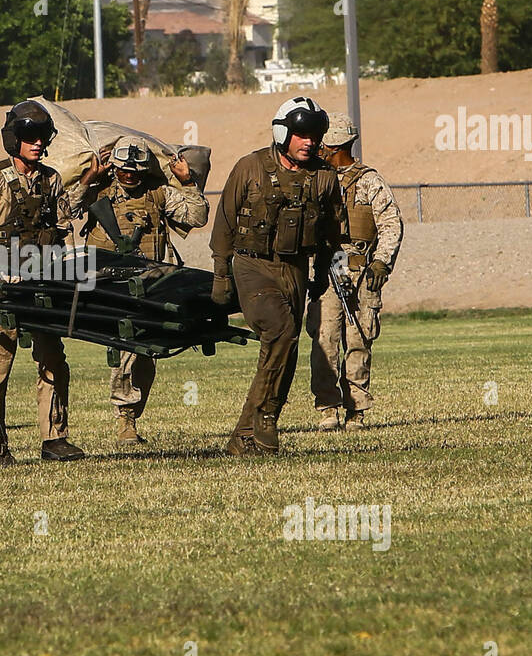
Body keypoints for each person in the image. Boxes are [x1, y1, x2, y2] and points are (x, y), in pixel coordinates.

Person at [210, 96, 344, 456]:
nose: (309, 142)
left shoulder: (325, 178)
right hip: (253, 266)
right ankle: (267, 415)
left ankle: (243, 437)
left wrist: (321, 273)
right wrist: (221, 275)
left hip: (296, 269)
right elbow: (224, 223)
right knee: (281, 332)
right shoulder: (250, 167)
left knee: (285, 346)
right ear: (283, 132)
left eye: (315, 135)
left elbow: (332, 231)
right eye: (301, 134)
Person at [0, 100, 85, 465]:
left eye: (42, 137)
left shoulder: (52, 179)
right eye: (29, 137)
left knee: (53, 362)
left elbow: (63, 229)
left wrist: (70, 266)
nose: (37, 144)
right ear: (14, 139)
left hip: (43, 283)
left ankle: (55, 439)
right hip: (2, 287)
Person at [71, 141, 209, 443]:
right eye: (122, 170)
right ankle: (126, 418)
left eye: (135, 171)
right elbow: (65, 210)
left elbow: (196, 217)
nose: (129, 176)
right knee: (128, 347)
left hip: (151, 283)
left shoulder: (158, 194)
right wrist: (88, 179)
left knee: (147, 355)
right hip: (109, 284)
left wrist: (187, 183)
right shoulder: (100, 192)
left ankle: (131, 414)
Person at [306, 113, 404, 431]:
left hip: (361, 270)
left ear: (335, 146)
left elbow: (391, 224)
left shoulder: (369, 181)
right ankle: (328, 408)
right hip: (326, 270)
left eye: (324, 145)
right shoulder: (315, 180)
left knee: (359, 337)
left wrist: (381, 262)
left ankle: (356, 409)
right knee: (325, 339)